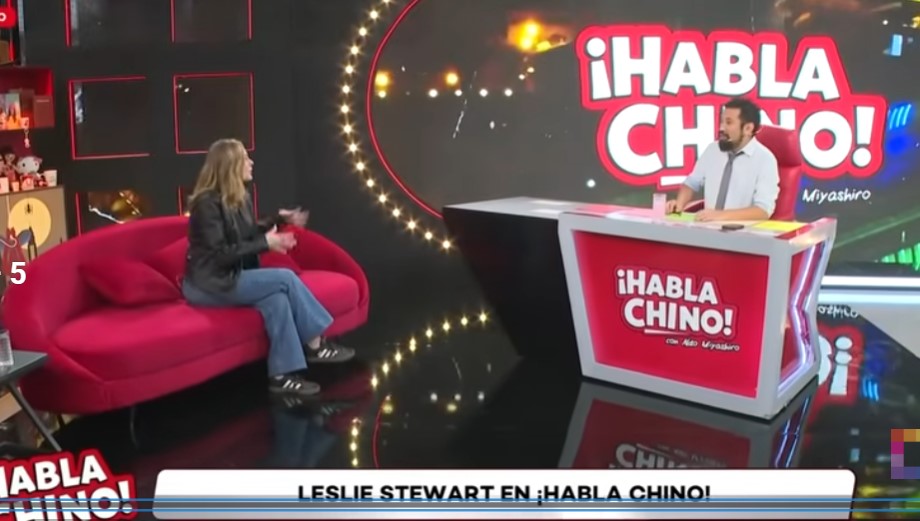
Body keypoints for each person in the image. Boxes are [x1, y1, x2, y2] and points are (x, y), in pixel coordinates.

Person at [182, 138, 354, 397]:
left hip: (232, 275)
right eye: (245, 158)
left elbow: (246, 234)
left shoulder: (239, 197)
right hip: (208, 285)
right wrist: (267, 243)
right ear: (230, 165)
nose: (251, 163)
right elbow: (219, 256)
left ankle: (282, 377)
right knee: (285, 278)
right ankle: (316, 344)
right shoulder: (206, 205)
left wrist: (278, 220)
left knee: (277, 301)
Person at [666, 98, 780, 222]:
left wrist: (719, 215)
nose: (721, 128)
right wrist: (679, 204)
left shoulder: (765, 160)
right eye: (721, 122)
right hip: (707, 227)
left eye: (728, 123)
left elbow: (763, 211)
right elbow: (692, 183)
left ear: (748, 128)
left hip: (742, 231)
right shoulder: (712, 150)